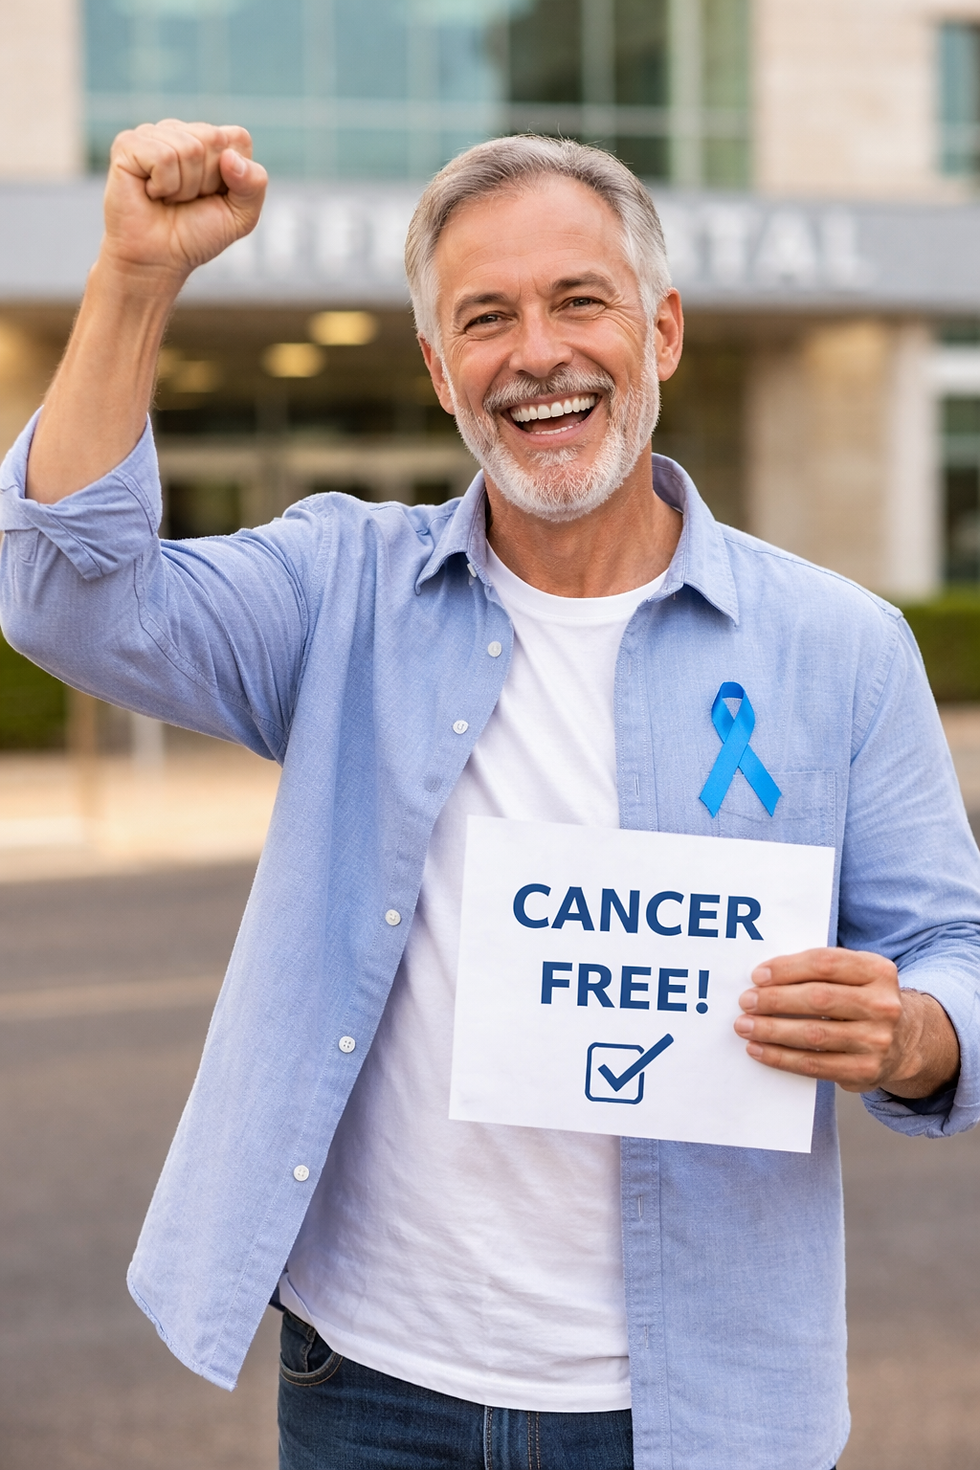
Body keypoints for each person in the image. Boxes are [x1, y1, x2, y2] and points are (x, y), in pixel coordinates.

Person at [0, 122, 977, 1470]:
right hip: (372, 1388)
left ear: (666, 331)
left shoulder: (842, 649)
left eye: (580, 300)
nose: (536, 354)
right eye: (485, 318)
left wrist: (918, 1032)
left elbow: (959, 958)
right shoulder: (340, 592)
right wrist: (131, 276)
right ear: (439, 370)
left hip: (699, 1408)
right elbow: (68, 596)